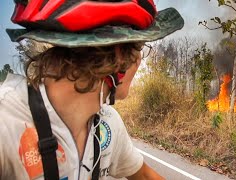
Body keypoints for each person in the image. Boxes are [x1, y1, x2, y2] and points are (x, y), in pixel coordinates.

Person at [0, 0, 184, 179]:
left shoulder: (108, 124)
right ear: (119, 55)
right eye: (140, 48)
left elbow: (143, 175)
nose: (139, 60)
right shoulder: (6, 123)